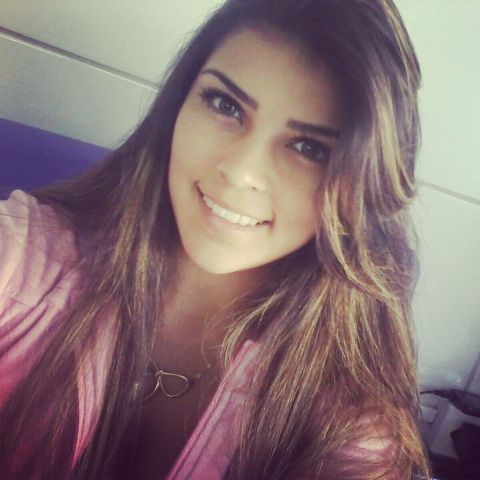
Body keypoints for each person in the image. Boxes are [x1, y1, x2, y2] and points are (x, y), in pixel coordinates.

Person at [0, 0, 432, 478]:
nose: (241, 171)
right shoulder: (22, 259)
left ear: (361, 191)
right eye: (226, 105)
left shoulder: (344, 424)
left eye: (309, 148)